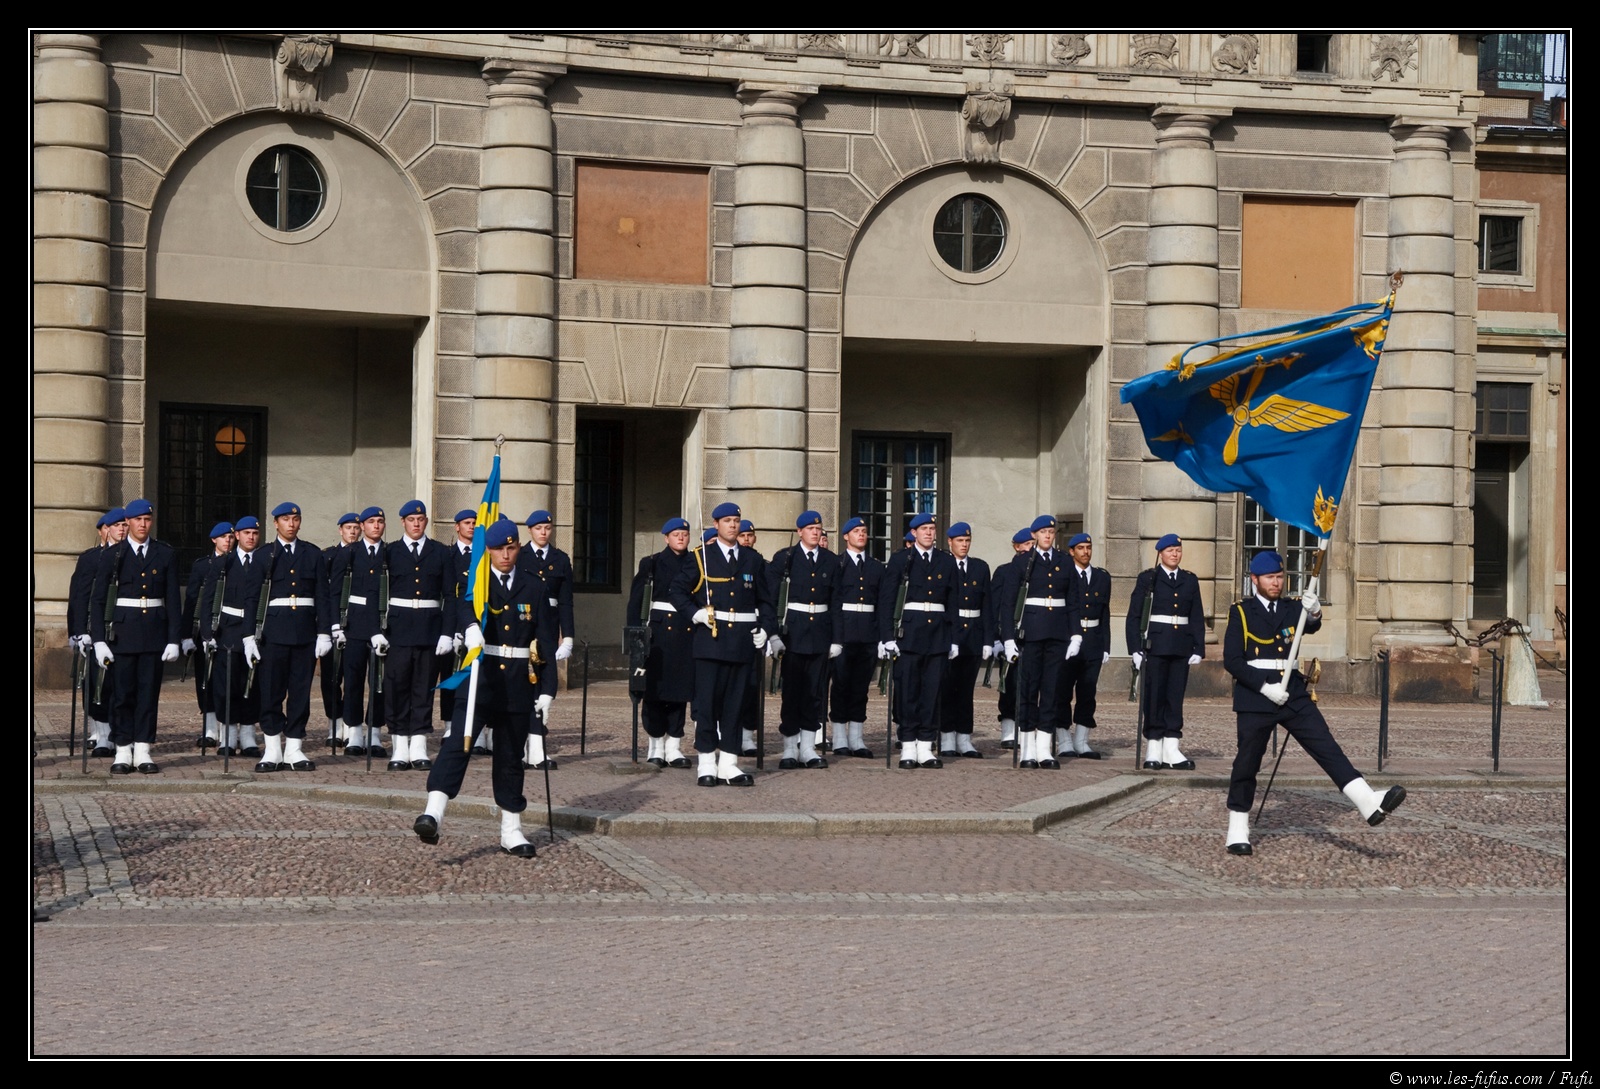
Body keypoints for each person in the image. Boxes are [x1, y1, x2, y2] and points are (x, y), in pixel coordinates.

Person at [1222, 551, 1406, 855]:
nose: (1276, 583)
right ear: (1254, 579)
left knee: (1325, 745)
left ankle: (1367, 801)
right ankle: (1238, 827)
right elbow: (1232, 660)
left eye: (1279, 577)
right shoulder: (1241, 612)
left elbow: (1310, 625)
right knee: (1247, 761)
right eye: (1269, 578)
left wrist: (1315, 612)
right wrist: (1265, 688)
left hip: (1292, 693)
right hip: (1256, 696)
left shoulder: (1292, 607)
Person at [413, 518, 555, 858]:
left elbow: (545, 642)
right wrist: (471, 626)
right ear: (488, 551)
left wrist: (547, 689)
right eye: (498, 549)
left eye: (511, 548)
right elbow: (462, 605)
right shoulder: (476, 583)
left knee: (510, 756)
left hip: (517, 683)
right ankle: (433, 813)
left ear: (518, 548)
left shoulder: (534, 587)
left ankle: (511, 830)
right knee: (457, 744)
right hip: (480, 678)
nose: (505, 555)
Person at [669, 502, 773, 786]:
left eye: (736, 520)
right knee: (707, 705)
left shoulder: (752, 560)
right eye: (727, 521)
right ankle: (706, 762)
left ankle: (729, 763)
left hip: (741, 642)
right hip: (711, 642)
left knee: (734, 705)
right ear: (716, 525)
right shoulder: (701, 556)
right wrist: (695, 613)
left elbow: (766, 600)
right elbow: (677, 590)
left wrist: (766, 629)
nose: (733, 525)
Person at [89, 498, 182, 774]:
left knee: (148, 695)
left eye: (147, 519)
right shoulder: (113, 555)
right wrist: (99, 640)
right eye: (138, 520)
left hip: (153, 633)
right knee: (122, 695)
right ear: (127, 522)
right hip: (122, 634)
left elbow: (173, 599)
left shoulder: (164, 554)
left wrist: (174, 638)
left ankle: (143, 749)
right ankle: (122, 749)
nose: (143, 524)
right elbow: (98, 600)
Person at [254, 501, 332, 773]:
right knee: (271, 691)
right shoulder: (264, 555)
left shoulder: (312, 554)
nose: (291, 524)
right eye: (285, 519)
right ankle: (272, 749)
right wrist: (248, 636)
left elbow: (323, 596)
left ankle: (294, 748)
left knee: (300, 693)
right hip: (273, 634)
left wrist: (324, 632)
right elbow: (252, 598)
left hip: (304, 633)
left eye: (295, 519)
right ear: (276, 523)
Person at [878, 513, 958, 769]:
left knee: (931, 692)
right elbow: (887, 600)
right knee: (908, 692)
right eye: (924, 528)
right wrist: (887, 637)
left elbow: (953, 602)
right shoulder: (901, 559)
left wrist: (954, 639)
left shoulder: (946, 561)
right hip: (909, 634)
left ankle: (926, 746)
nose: (929, 533)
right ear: (914, 533)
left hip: (937, 635)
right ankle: (908, 745)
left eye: (932, 528)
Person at [767, 510, 839, 770]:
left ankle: (808, 747)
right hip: (793, 634)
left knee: (814, 693)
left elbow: (836, 602)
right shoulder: (785, 558)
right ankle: (789, 747)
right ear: (799, 532)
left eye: (818, 529)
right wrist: (773, 634)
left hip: (820, 632)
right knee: (792, 692)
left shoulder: (831, 560)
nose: (815, 532)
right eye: (810, 529)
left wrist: (837, 639)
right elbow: (771, 599)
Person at [999, 515, 1073, 769]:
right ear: (1034, 535)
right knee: (1028, 691)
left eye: (1051, 532)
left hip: (1057, 633)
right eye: (1043, 532)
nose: (1048, 536)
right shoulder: (1023, 562)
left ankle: (1044, 748)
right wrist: (1009, 638)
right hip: (1030, 633)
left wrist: (1075, 634)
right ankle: (1028, 748)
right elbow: (1008, 603)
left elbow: (1072, 600)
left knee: (1051, 691)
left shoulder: (1064, 561)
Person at [1127, 533, 1206, 770]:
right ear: (1160, 553)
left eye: (1178, 550)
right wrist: (1135, 649)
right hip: (1156, 646)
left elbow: (1196, 615)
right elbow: (1135, 616)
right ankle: (1154, 746)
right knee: (1154, 697)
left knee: (1174, 697)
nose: (1175, 554)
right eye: (1170, 550)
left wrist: (1198, 647)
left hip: (1180, 646)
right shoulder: (1148, 579)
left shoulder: (1189, 580)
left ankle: (1172, 747)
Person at [383, 500, 451, 771]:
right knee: (397, 687)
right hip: (398, 630)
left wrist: (447, 633)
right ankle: (399, 746)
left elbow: (450, 596)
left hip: (429, 629)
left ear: (426, 522)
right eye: (411, 519)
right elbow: (378, 593)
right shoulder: (390, 552)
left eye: (420, 519)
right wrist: (377, 631)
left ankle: (419, 745)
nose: (416, 524)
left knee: (424, 688)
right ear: (403, 522)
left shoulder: (440, 552)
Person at [625, 517, 696, 768]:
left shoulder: (696, 562)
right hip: (657, 633)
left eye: (684, 534)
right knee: (654, 691)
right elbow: (637, 601)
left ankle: (674, 746)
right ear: (666, 538)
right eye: (675, 534)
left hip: (686, 631)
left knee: (680, 691)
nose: (680, 538)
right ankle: (655, 745)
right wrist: (635, 636)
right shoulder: (652, 563)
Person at [198, 516, 267, 758]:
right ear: (237, 535)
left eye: (255, 533)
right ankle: (227, 735)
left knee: (251, 685)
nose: (251, 537)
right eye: (246, 533)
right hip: (228, 630)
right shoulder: (223, 563)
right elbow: (208, 600)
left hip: (256, 631)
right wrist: (207, 633)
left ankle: (248, 735)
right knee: (226, 685)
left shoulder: (263, 562)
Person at [517, 510, 575, 769]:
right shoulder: (520, 556)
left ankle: (538, 749)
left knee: (545, 686)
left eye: (547, 528)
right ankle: (520, 748)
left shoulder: (560, 559)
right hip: (523, 625)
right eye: (538, 528)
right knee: (523, 686)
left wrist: (568, 637)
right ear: (530, 530)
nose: (543, 532)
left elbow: (566, 602)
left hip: (548, 628)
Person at [330, 507, 389, 758]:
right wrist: (336, 625)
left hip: (383, 627)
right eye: (371, 522)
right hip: (353, 626)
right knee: (353, 682)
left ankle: (374, 733)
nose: (376, 526)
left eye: (380, 521)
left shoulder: (389, 553)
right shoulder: (349, 553)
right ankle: (353, 732)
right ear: (362, 526)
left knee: (379, 683)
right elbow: (335, 592)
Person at [69, 507, 126, 757]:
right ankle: (102, 736)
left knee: (122, 685)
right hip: (96, 629)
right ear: (106, 530)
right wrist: (79, 630)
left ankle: (120, 734)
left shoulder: (133, 555)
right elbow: (80, 596)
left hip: (125, 628)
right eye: (117, 525)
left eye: (124, 525)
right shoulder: (92, 558)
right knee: (97, 685)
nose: (122, 529)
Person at [827, 517, 884, 758]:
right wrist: (835, 637)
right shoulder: (837, 564)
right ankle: (840, 737)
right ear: (846, 536)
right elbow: (833, 602)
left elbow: (881, 604)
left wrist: (882, 637)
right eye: (856, 531)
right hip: (845, 632)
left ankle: (857, 738)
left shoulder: (876, 567)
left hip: (868, 633)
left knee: (861, 687)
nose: (861, 535)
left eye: (864, 531)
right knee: (840, 685)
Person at [939, 522, 992, 758]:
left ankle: (964, 738)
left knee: (966, 690)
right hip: (951, 632)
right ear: (950, 542)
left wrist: (988, 640)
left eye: (967, 541)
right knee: (947, 688)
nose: (964, 545)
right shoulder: (943, 565)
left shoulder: (980, 568)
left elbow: (987, 606)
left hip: (973, 634)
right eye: (960, 541)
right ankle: (946, 737)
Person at [1055, 531, 1109, 760]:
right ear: (1071, 552)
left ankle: (1082, 740)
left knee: (1088, 693)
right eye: (1080, 548)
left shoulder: (1101, 577)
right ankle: (1064, 740)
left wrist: (1105, 645)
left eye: (1088, 547)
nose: (1085, 552)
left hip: (1093, 641)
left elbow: (1104, 613)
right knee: (1062, 692)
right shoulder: (1064, 575)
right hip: (1069, 640)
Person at [182, 521, 235, 750]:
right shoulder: (203, 566)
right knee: (205, 679)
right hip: (205, 628)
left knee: (229, 681)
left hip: (230, 628)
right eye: (223, 537)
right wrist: (186, 634)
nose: (228, 541)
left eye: (230, 537)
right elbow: (192, 600)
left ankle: (229, 728)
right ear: (214, 540)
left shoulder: (239, 563)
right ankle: (210, 728)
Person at [989, 528, 1034, 750]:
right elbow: (997, 606)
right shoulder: (1005, 571)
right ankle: (1008, 727)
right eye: (1027, 544)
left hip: (1034, 634)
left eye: (1033, 544)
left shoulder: (1040, 571)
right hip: (1010, 636)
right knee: (1009, 684)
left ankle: (1028, 728)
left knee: (1031, 686)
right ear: (1017, 547)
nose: (1031, 548)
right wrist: (997, 638)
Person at [319, 513, 361, 751]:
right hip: (332, 624)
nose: (353, 532)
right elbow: (325, 594)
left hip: (357, 625)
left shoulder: (366, 555)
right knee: (331, 678)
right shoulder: (329, 556)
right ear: (340, 530)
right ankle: (333, 723)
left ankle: (350, 725)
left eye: (356, 527)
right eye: (348, 527)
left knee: (354, 678)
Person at [441, 509, 475, 745]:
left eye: (474, 523)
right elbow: (447, 594)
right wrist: (450, 630)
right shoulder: (448, 555)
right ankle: (449, 724)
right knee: (450, 675)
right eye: (466, 523)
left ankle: (475, 726)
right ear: (457, 527)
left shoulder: (483, 555)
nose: (471, 526)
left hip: (475, 622)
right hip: (452, 624)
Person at [734, 518, 766, 756]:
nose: (746, 539)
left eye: (749, 536)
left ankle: (747, 735)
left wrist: (768, 630)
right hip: (732, 627)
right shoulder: (731, 562)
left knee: (752, 685)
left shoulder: (760, 563)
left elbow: (767, 598)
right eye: (742, 535)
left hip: (754, 628)